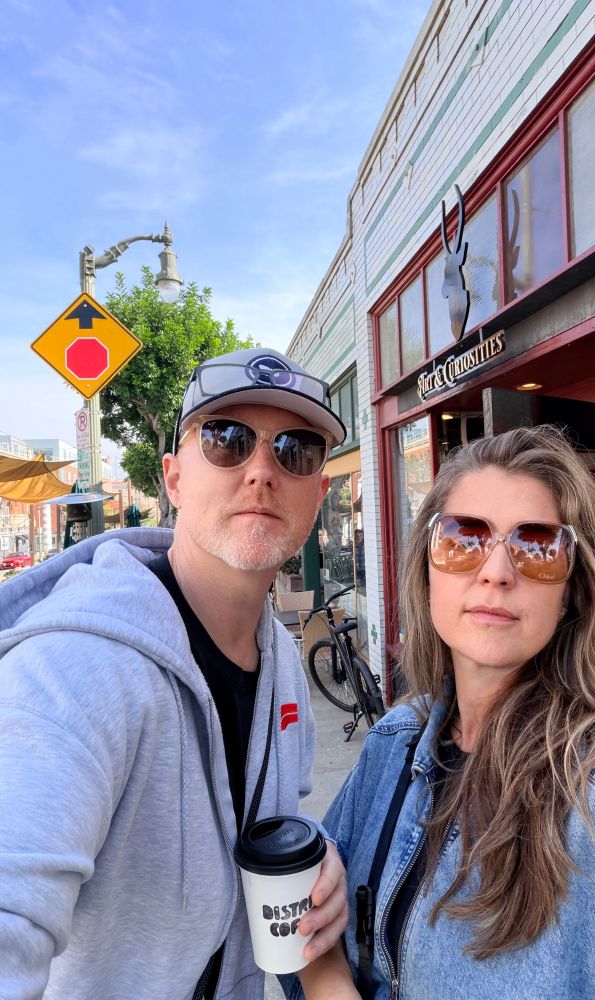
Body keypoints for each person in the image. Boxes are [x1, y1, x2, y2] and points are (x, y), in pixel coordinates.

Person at [313, 425, 595, 999]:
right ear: (426, 569)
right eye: (464, 537)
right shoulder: (396, 741)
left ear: (570, 591)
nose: (496, 571)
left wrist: (324, 979)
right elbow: (310, 901)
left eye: (537, 546)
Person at [0, 348, 351, 999]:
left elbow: (255, 825)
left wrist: (316, 856)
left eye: (295, 451)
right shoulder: (73, 670)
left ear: (319, 494)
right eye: (227, 440)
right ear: (174, 478)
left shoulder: (283, 663)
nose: (261, 472)